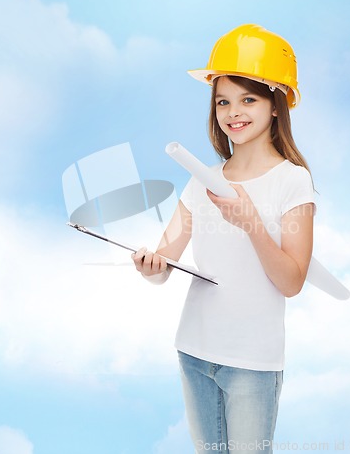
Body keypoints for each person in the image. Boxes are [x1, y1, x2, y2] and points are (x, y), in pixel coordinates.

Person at [131, 24, 315, 454]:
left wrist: (251, 222)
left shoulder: (293, 181)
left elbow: (292, 281)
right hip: (194, 350)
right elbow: (165, 260)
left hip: (252, 363)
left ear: (277, 103)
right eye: (223, 101)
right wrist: (149, 266)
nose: (234, 111)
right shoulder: (203, 181)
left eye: (248, 98)